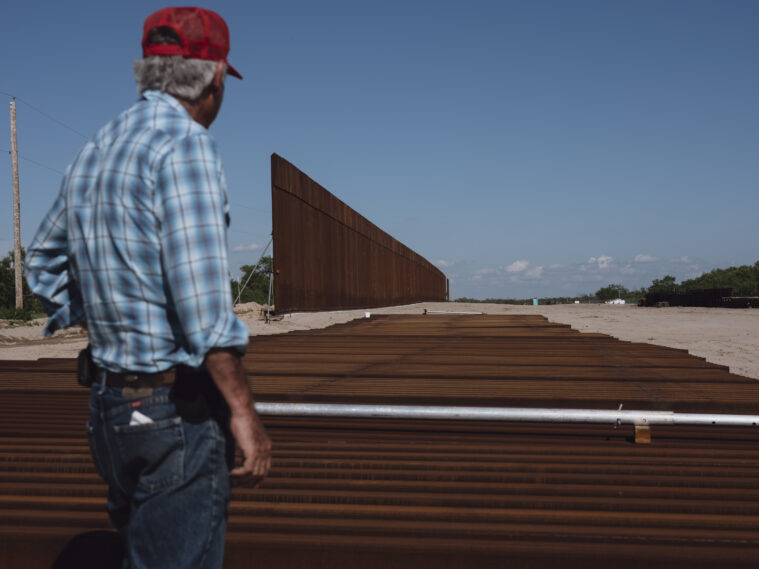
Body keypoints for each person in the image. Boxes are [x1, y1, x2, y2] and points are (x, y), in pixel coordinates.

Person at [25, 7, 271, 569]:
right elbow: (204, 309)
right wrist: (243, 413)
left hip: (109, 408)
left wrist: (105, 318)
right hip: (171, 415)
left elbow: (41, 261)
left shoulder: (103, 142)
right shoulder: (186, 147)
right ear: (211, 79)